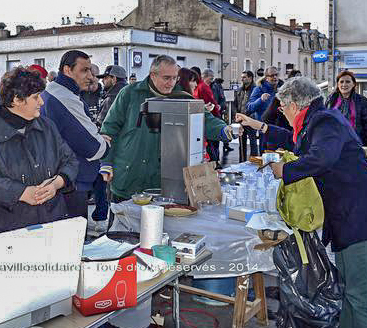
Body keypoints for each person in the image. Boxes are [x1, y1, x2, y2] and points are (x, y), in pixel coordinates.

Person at [237, 77, 367, 328]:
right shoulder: (317, 121)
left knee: (360, 296)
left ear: (295, 105)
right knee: (349, 292)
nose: (281, 111)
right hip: (351, 220)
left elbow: (321, 157)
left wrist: (285, 170)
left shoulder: (325, 121)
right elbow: (297, 142)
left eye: (283, 106)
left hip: (363, 219)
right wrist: (261, 127)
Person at [100, 55, 233, 202]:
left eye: (174, 78)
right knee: (120, 223)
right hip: (127, 177)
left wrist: (224, 130)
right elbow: (109, 129)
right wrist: (106, 162)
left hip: (161, 182)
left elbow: (206, 119)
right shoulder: (130, 93)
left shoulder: (182, 97)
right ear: (153, 75)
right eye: (166, 78)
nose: (171, 83)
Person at [0, 67, 78, 236]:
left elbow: (70, 161)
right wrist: (22, 193)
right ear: (17, 99)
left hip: (51, 225)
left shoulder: (47, 127)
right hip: (5, 234)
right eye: (35, 97)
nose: (41, 102)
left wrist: (57, 183)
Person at [41, 51, 110, 219]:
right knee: (74, 241)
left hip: (60, 181)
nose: (91, 77)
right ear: (67, 70)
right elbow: (93, 147)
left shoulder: (55, 92)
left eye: (91, 71)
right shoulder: (64, 97)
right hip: (70, 184)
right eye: (84, 70)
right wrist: (105, 144)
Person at [325, 71, 367, 147]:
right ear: (338, 84)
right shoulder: (331, 100)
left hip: (354, 143)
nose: (344, 84)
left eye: (348, 82)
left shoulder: (361, 100)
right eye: (341, 82)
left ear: (353, 84)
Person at [247, 66, 282, 151]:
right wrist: (260, 100)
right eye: (272, 75)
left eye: (276, 75)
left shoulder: (282, 89)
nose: (275, 77)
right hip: (265, 129)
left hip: (280, 129)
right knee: (266, 158)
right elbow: (249, 107)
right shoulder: (259, 89)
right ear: (266, 78)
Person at [235, 71, 258, 158]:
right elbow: (235, 103)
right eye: (242, 77)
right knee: (241, 141)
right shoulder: (239, 90)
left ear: (250, 78)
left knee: (253, 142)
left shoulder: (256, 90)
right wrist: (236, 114)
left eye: (244, 77)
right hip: (241, 119)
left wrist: (247, 116)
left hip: (251, 119)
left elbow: (255, 105)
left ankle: (254, 160)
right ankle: (242, 160)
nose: (242, 79)